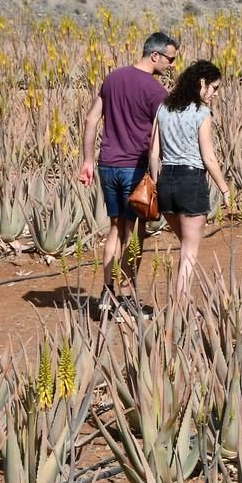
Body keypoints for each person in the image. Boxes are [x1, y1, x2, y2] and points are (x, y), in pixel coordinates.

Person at [77, 31, 179, 312]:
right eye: (170, 59)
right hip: (135, 169)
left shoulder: (113, 78)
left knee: (115, 229)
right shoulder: (156, 92)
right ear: (154, 55)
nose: (172, 65)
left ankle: (107, 295)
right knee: (134, 233)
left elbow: (91, 118)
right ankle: (126, 297)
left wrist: (87, 160)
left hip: (107, 165)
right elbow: (166, 131)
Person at [148, 60, 230, 298]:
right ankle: (179, 310)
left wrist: (155, 183)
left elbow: (154, 153)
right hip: (191, 182)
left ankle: (179, 306)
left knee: (185, 245)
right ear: (201, 83)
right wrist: (225, 190)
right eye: (214, 88)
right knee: (189, 254)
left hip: (166, 183)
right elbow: (209, 158)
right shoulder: (202, 113)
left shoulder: (163, 108)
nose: (215, 94)